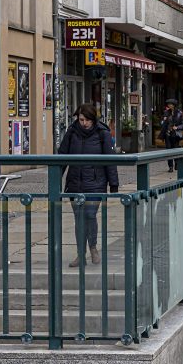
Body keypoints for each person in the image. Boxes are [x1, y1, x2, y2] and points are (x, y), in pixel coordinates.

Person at [58, 103, 119, 267]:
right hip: (75, 183)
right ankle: (80, 254)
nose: (83, 123)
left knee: (90, 215)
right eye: (80, 119)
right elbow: (61, 157)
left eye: (86, 120)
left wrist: (113, 184)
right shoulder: (71, 132)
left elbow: (110, 160)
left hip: (95, 183)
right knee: (79, 218)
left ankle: (92, 247)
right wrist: (56, 181)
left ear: (93, 120)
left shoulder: (102, 134)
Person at [159, 99, 183, 171]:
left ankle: (176, 163)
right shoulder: (166, 112)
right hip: (168, 133)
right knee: (168, 150)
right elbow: (161, 123)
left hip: (175, 134)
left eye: (170, 104)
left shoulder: (180, 113)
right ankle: (170, 167)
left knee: (176, 149)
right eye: (168, 104)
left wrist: (177, 127)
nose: (169, 105)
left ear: (174, 105)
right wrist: (163, 120)